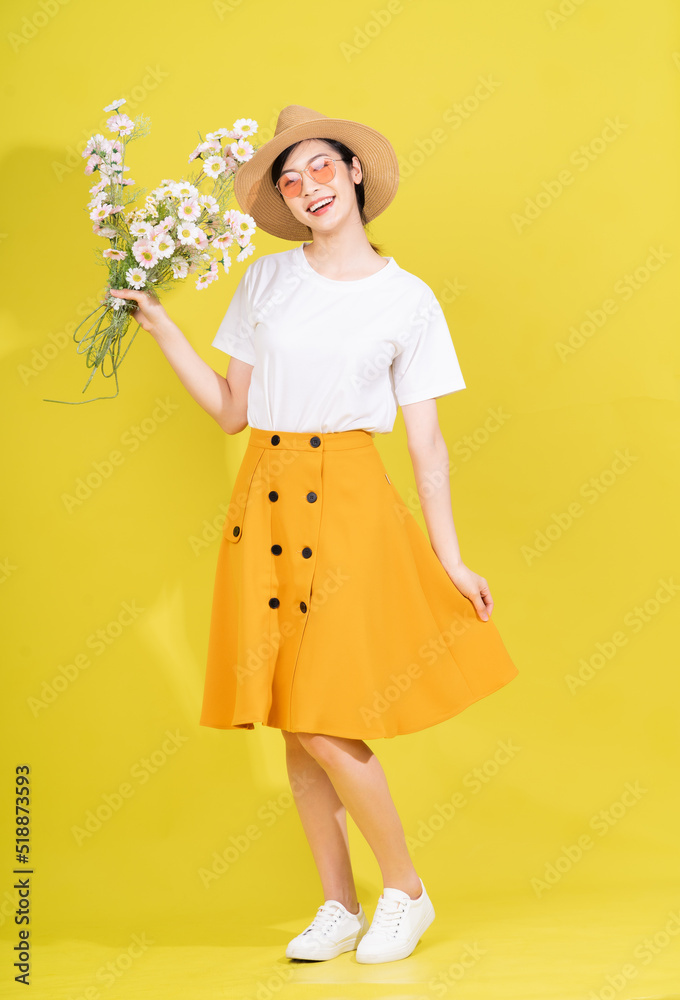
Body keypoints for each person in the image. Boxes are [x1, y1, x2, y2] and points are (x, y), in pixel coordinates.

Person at [110, 104, 519, 966]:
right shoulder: (264, 282)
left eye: (321, 168)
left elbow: (427, 442)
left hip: (351, 503)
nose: (307, 188)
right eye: (289, 179)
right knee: (294, 721)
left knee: (330, 715)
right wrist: (160, 326)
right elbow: (230, 411)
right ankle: (338, 903)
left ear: (356, 172)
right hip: (264, 499)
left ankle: (404, 891)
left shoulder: (409, 300)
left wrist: (450, 557)